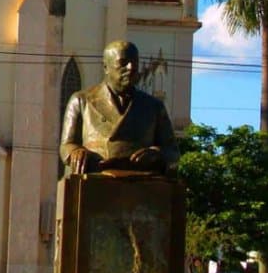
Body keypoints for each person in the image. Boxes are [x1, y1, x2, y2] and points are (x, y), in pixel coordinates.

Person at [60, 40, 180, 176]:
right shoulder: (82, 100)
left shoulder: (153, 106)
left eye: (135, 63)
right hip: (96, 176)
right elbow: (66, 145)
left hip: (139, 181)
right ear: (106, 67)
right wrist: (76, 152)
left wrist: (157, 154)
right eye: (123, 63)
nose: (131, 68)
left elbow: (172, 151)